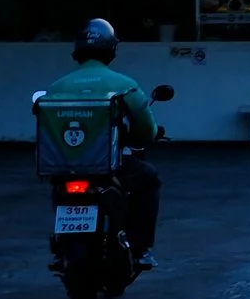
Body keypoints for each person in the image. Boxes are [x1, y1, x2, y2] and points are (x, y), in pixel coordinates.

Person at [40, 18, 162, 264]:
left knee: (58, 187)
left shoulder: (57, 87)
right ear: (111, 50)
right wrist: (145, 136)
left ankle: (60, 245)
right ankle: (140, 249)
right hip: (110, 166)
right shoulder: (124, 85)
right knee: (149, 180)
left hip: (66, 165)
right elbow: (146, 129)